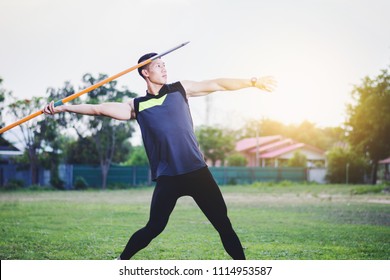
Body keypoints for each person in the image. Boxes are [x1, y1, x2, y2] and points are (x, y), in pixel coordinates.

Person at [43, 52, 276, 260]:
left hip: (196, 171)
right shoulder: (137, 105)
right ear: (145, 72)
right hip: (168, 178)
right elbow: (97, 108)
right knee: (154, 227)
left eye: (165, 65)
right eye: (158, 66)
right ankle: (119, 264)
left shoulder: (179, 89)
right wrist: (63, 108)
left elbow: (217, 84)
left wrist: (252, 81)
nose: (164, 69)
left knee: (223, 225)